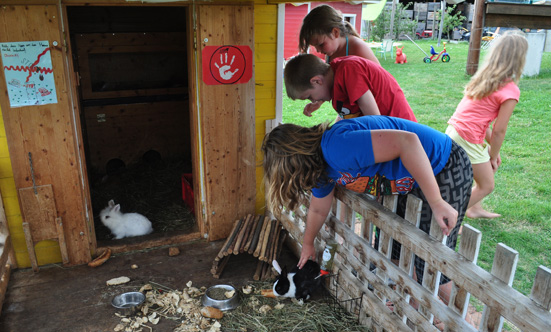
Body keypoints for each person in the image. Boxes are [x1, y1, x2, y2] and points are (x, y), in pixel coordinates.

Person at [262, 116, 472, 295]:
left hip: (442, 165)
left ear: (299, 164)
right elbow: (318, 208)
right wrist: (308, 243)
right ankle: (408, 302)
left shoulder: (336, 148)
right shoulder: (320, 169)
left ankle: (449, 317)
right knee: (394, 248)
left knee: (432, 264)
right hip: (409, 179)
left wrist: (436, 201)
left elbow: (407, 142)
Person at [446, 31, 528, 219]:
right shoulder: (510, 90)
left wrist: (493, 153)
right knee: (487, 185)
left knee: (478, 172)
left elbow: (480, 122)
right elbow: (499, 130)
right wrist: (492, 156)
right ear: (519, 59)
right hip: (468, 137)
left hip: (455, 130)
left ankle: (475, 209)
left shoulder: (483, 79)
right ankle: (448, 218)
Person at [297, 4, 381, 117]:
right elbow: (335, 84)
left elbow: (379, 83)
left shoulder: (357, 48)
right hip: (357, 112)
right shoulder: (331, 52)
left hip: (379, 113)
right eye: (315, 46)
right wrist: (319, 101)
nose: (318, 50)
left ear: (335, 32)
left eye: (321, 44)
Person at [284, 54, 417, 122]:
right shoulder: (333, 80)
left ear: (317, 81)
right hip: (389, 135)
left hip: (401, 131)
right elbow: (346, 115)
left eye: (309, 97)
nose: (312, 100)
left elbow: (374, 120)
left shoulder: (349, 70)